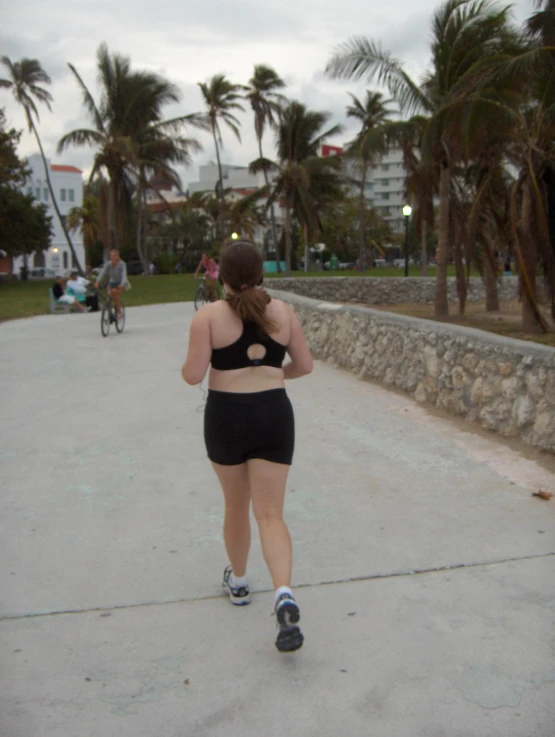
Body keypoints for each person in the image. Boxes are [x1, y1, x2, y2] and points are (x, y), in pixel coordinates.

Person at [182, 238, 313, 653]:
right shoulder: (284, 313)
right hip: (274, 414)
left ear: (221, 273)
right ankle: (284, 594)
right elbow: (305, 366)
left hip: (226, 418)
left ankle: (238, 583)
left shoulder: (208, 317)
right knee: (271, 514)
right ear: (261, 273)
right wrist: (273, 375)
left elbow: (192, 375)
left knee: (236, 507)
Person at [94, 249, 127, 320]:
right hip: (112, 283)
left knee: (115, 292)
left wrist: (122, 283)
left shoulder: (122, 264)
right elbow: (102, 273)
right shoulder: (108, 264)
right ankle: (110, 312)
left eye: (114, 255)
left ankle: (119, 312)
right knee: (109, 295)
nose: (113, 257)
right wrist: (97, 281)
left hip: (121, 283)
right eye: (111, 256)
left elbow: (124, 275)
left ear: (118, 256)